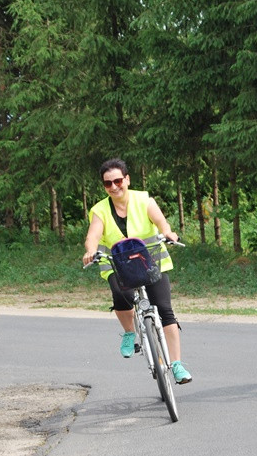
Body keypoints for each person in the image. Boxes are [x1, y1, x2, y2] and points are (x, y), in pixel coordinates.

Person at [82, 159, 192, 384]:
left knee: (164, 309)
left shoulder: (144, 200)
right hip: (118, 264)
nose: (114, 186)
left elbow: (162, 223)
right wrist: (91, 250)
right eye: (108, 183)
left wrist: (168, 234)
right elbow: (93, 236)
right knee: (121, 294)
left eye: (118, 181)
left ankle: (177, 364)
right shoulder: (100, 210)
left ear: (127, 179)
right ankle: (130, 332)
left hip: (151, 261)